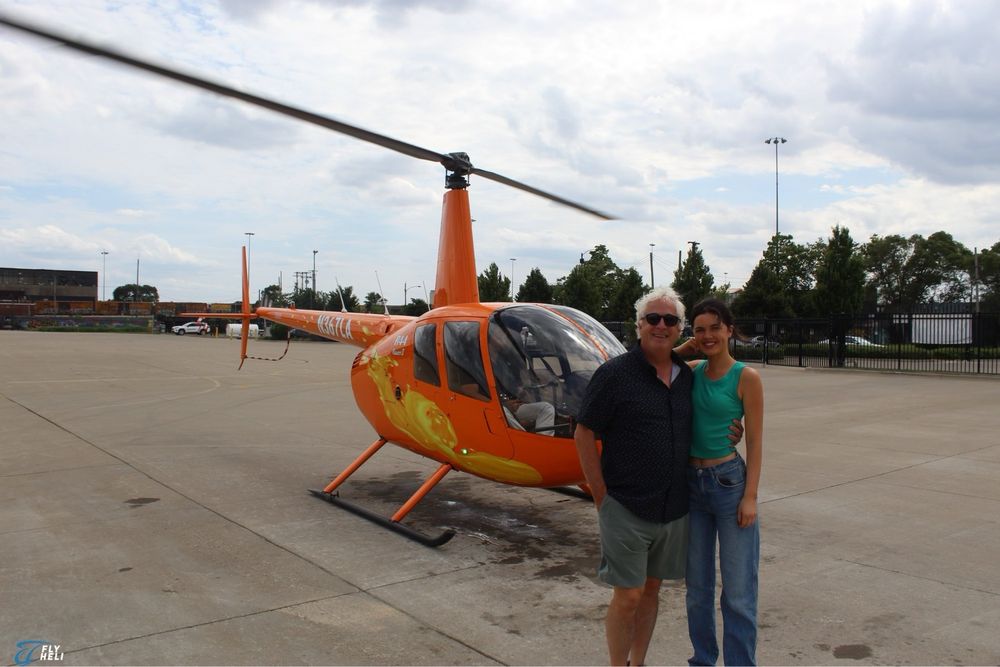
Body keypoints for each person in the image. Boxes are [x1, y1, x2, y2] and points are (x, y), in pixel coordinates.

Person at [573, 286, 694, 667]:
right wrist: (600, 496)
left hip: (673, 508)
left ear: (680, 328)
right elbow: (584, 431)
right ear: (639, 325)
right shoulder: (615, 374)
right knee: (628, 596)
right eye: (652, 318)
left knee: (652, 592)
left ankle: (637, 662)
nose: (661, 325)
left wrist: (734, 431)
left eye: (670, 319)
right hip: (625, 506)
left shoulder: (687, 377)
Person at [683, 298, 764, 666]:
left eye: (715, 327)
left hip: (729, 484)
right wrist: (687, 346)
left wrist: (751, 496)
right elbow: (651, 363)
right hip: (692, 486)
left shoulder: (746, 377)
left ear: (730, 330)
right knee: (697, 590)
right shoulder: (692, 371)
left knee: (738, 591)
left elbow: (756, 442)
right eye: (700, 329)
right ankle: (703, 659)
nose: (708, 335)